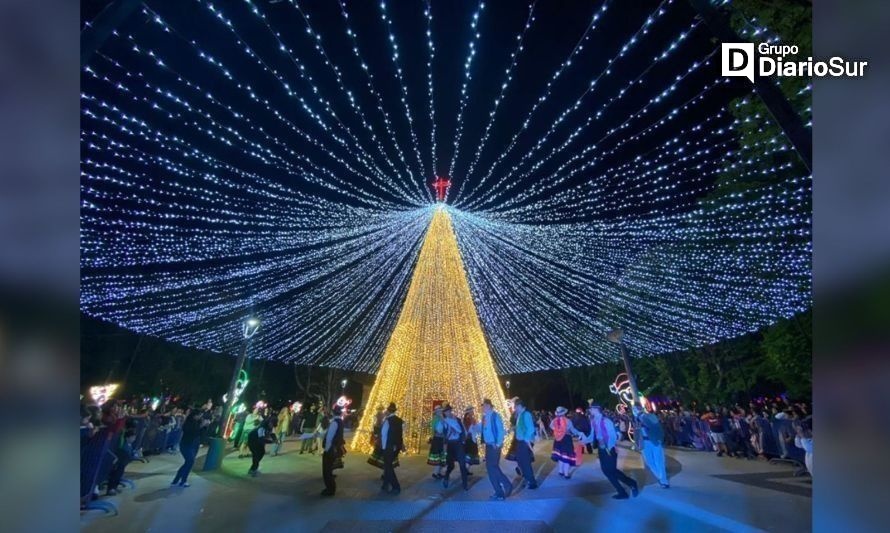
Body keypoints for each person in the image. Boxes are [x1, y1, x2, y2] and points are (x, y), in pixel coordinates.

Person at [589, 404, 638, 499]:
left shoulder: (606, 421)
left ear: (596, 409)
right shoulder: (593, 421)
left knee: (611, 471)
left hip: (608, 449)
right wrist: (581, 437)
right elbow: (591, 436)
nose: (589, 410)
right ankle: (622, 491)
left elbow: (613, 436)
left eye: (591, 408)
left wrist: (607, 446)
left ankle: (631, 484)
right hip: (601, 449)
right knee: (607, 471)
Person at [477, 398, 513, 500]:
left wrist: (498, 444)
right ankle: (498, 491)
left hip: (494, 446)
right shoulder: (484, 417)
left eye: (483, 405)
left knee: (493, 467)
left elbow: (501, 431)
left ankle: (506, 486)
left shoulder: (495, 416)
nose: (482, 407)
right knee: (490, 468)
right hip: (488, 445)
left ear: (488, 406)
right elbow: (483, 429)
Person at [633, 403, 669, 488]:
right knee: (649, 462)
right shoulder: (636, 420)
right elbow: (636, 432)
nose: (635, 411)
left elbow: (655, 426)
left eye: (637, 409)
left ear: (641, 409)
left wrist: (641, 416)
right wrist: (637, 444)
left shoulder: (650, 416)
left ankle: (664, 481)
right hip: (644, 443)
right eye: (634, 409)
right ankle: (660, 478)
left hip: (654, 441)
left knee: (659, 461)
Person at [172, 406, 210, 487]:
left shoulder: (198, 422)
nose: (200, 417)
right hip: (186, 444)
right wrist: (201, 426)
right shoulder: (189, 422)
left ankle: (179, 480)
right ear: (195, 415)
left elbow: (201, 433)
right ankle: (181, 479)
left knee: (188, 462)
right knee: (190, 461)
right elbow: (190, 432)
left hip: (194, 444)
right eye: (199, 415)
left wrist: (205, 426)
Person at [441, 405, 470, 490]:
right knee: (451, 465)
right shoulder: (445, 421)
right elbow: (443, 432)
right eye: (446, 412)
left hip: (458, 444)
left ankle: (465, 484)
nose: (447, 413)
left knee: (462, 464)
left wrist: (463, 440)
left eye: (448, 411)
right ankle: (446, 477)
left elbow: (463, 430)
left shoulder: (457, 420)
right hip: (450, 444)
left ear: (451, 411)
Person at [512, 399, 538, 489]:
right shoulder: (520, 415)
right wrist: (514, 428)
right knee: (520, 461)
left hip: (524, 442)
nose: (514, 408)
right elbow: (521, 427)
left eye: (515, 407)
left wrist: (526, 439)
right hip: (520, 441)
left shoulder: (526, 414)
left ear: (519, 406)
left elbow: (531, 428)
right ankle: (527, 478)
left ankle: (532, 482)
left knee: (525, 462)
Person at [380, 402, 405, 494]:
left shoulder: (387, 421)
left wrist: (383, 447)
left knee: (388, 466)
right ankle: (385, 484)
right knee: (388, 465)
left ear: (388, 411)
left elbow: (384, 435)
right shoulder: (400, 420)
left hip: (388, 446)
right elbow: (401, 433)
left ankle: (396, 486)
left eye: (386, 410)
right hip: (396, 446)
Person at [550, 406, 581, 478]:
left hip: (558, 440)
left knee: (560, 456)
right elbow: (573, 430)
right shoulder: (567, 421)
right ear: (564, 413)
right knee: (566, 457)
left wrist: (557, 431)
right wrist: (578, 433)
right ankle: (566, 474)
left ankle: (560, 471)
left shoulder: (554, 420)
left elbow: (551, 426)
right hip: (566, 439)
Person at [321, 407, 345, 496]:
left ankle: (330, 489)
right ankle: (331, 488)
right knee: (329, 469)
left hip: (331, 449)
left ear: (333, 412)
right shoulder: (340, 421)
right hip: (336, 448)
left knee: (326, 471)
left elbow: (329, 438)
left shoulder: (334, 422)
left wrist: (326, 450)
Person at [106, 429, 136, 495]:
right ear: (128, 437)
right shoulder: (124, 444)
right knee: (115, 475)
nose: (134, 439)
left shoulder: (129, 445)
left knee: (119, 475)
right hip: (119, 462)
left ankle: (114, 487)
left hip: (123, 463)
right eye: (133, 437)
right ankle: (111, 489)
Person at [427, 405, 446, 479]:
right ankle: (436, 473)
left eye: (441, 411)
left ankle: (438, 472)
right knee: (439, 457)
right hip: (438, 440)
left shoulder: (439, 419)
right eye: (439, 411)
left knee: (442, 457)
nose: (440, 412)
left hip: (440, 440)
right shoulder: (437, 419)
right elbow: (439, 430)